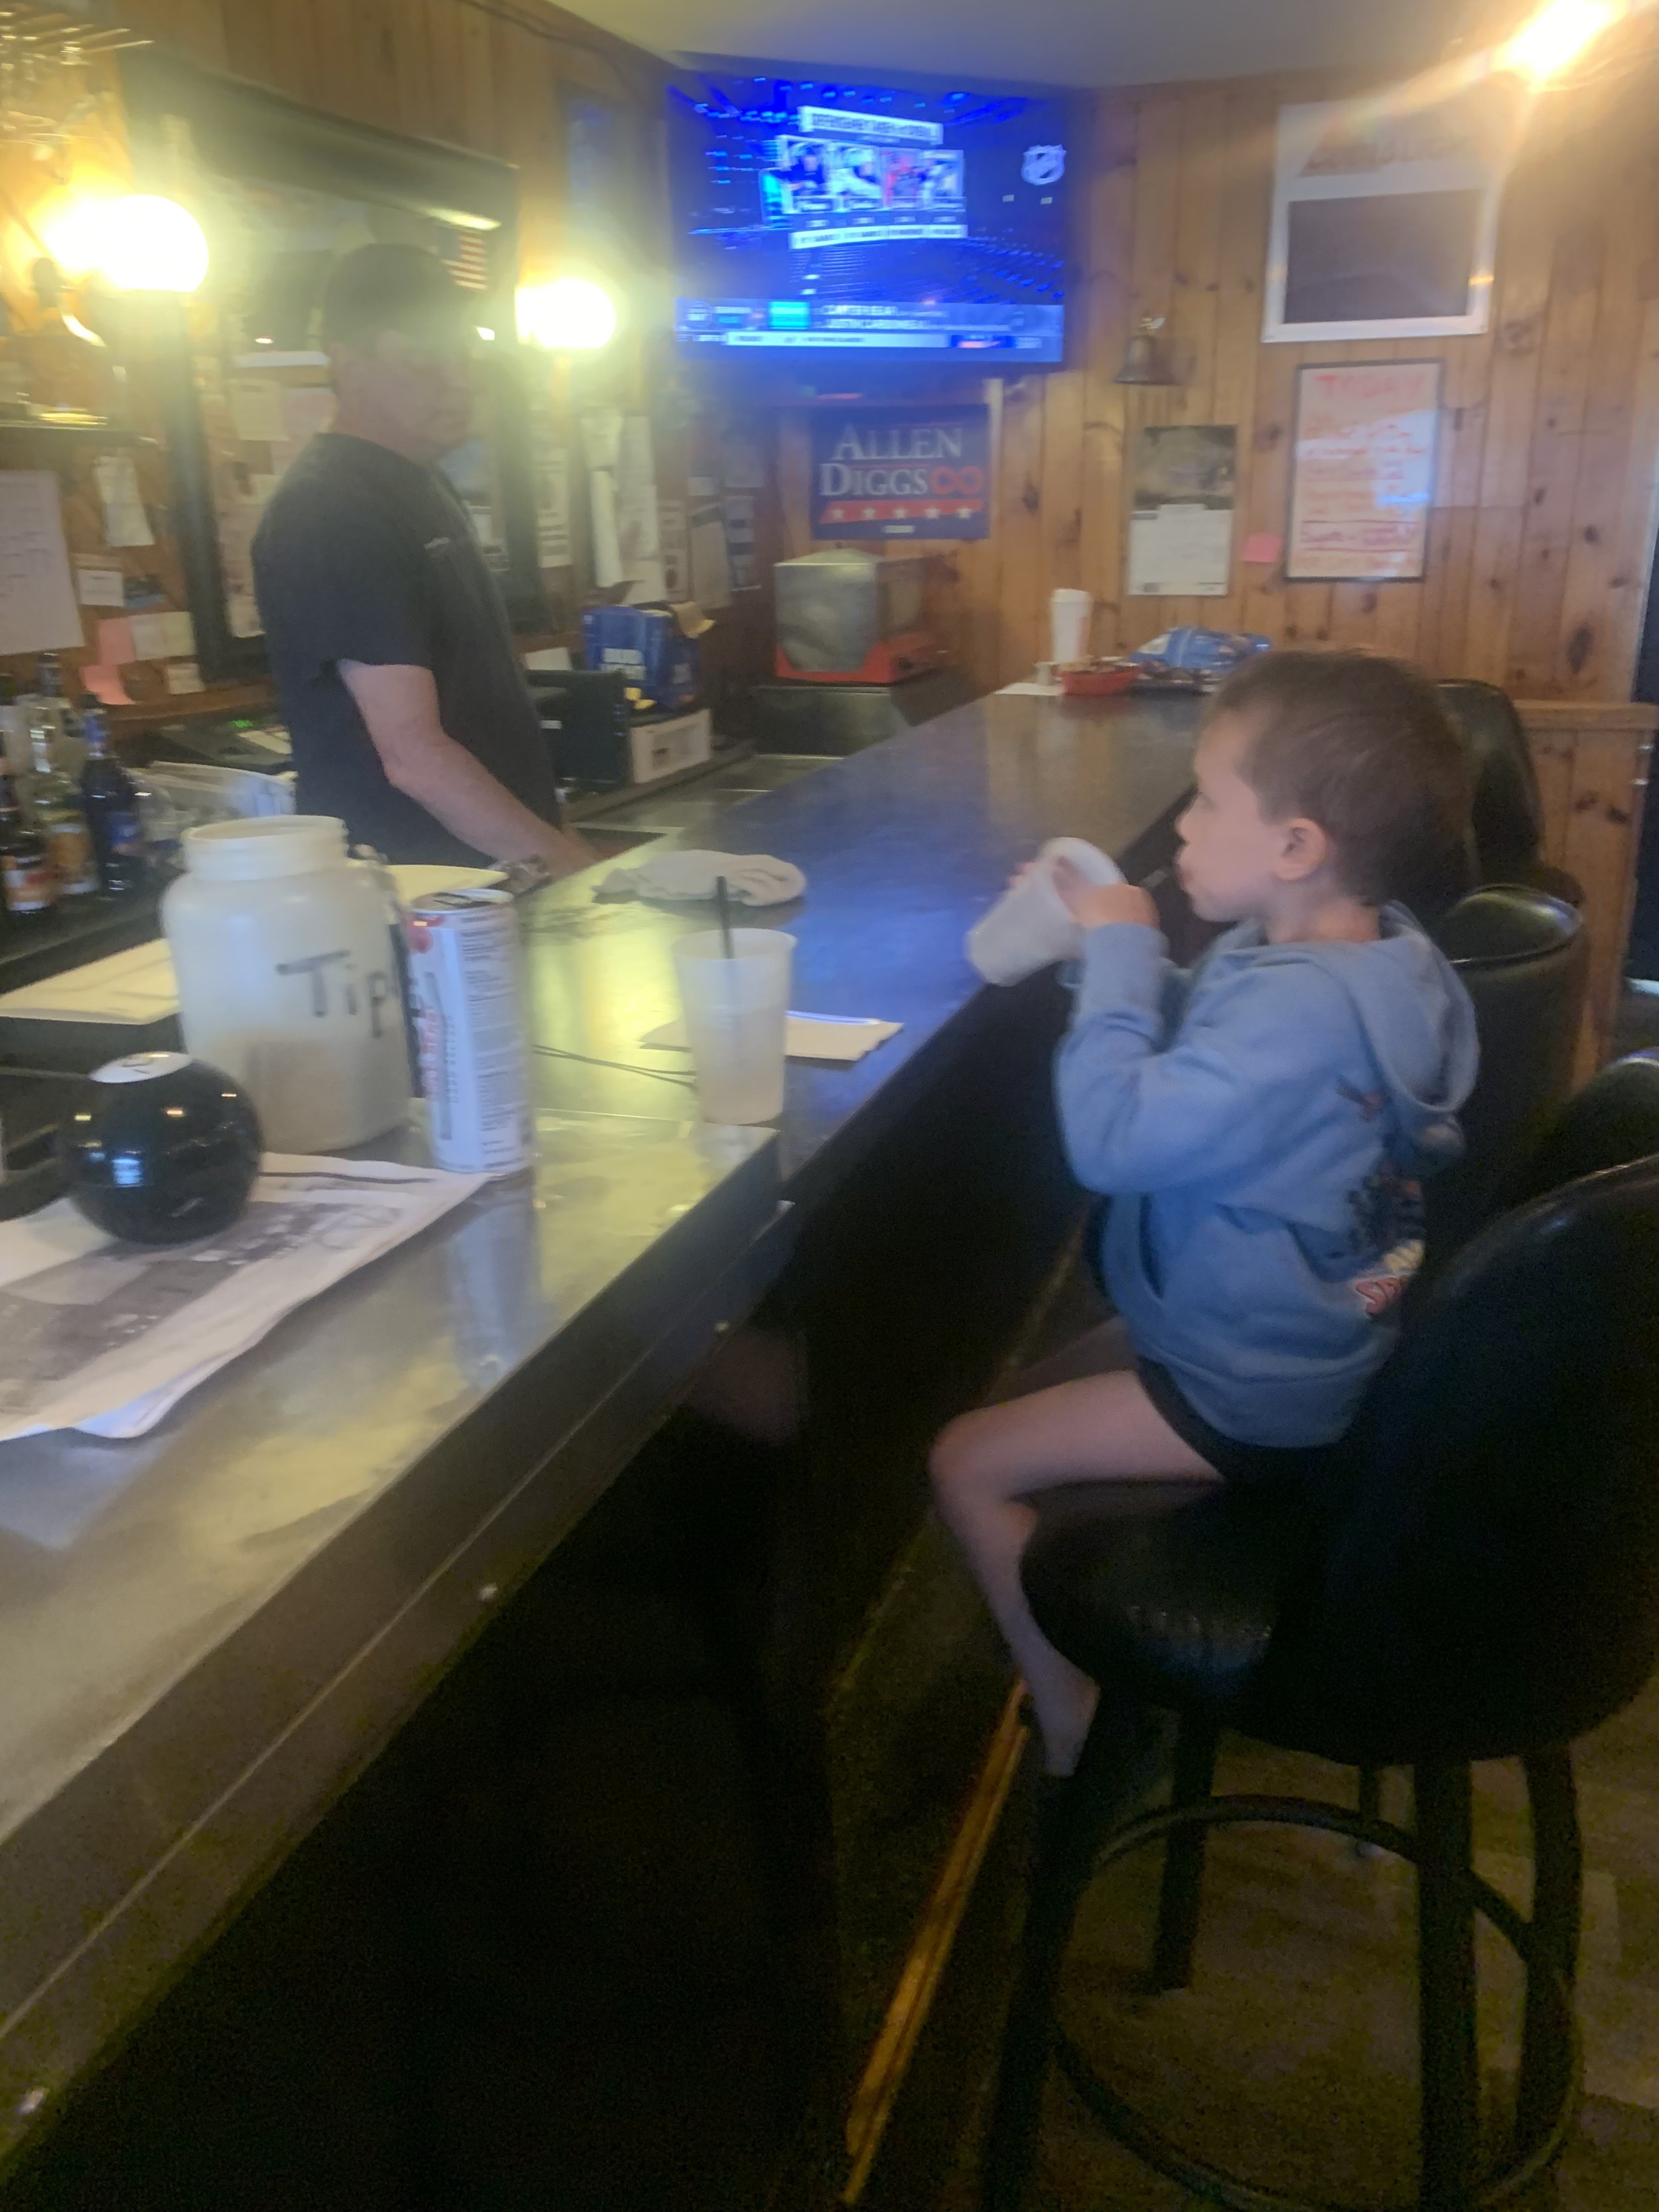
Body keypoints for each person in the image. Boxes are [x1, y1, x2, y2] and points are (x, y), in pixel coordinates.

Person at [930, 651, 1479, 1779]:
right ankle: (1069, 1611)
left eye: (1207, 799)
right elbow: (1220, 1054)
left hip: (1253, 1383)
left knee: (963, 1458)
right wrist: (1103, 960)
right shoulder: (1364, 958)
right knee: (1029, 1397)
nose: (1180, 826)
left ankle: (1071, 1706)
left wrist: (1128, 949)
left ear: (1296, 847)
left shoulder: (1304, 1015)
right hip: (1296, 1328)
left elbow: (1114, 1139)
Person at [252, 243, 590, 873]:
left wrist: (560, 842)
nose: (459, 380)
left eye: (462, 356)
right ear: (346, 364)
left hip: (490, 877)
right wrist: (577, 872)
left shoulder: (419, 481)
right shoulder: (331, 508)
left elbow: (485, 716)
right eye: (424, 360)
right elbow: (413, 755)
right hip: (418, 902)